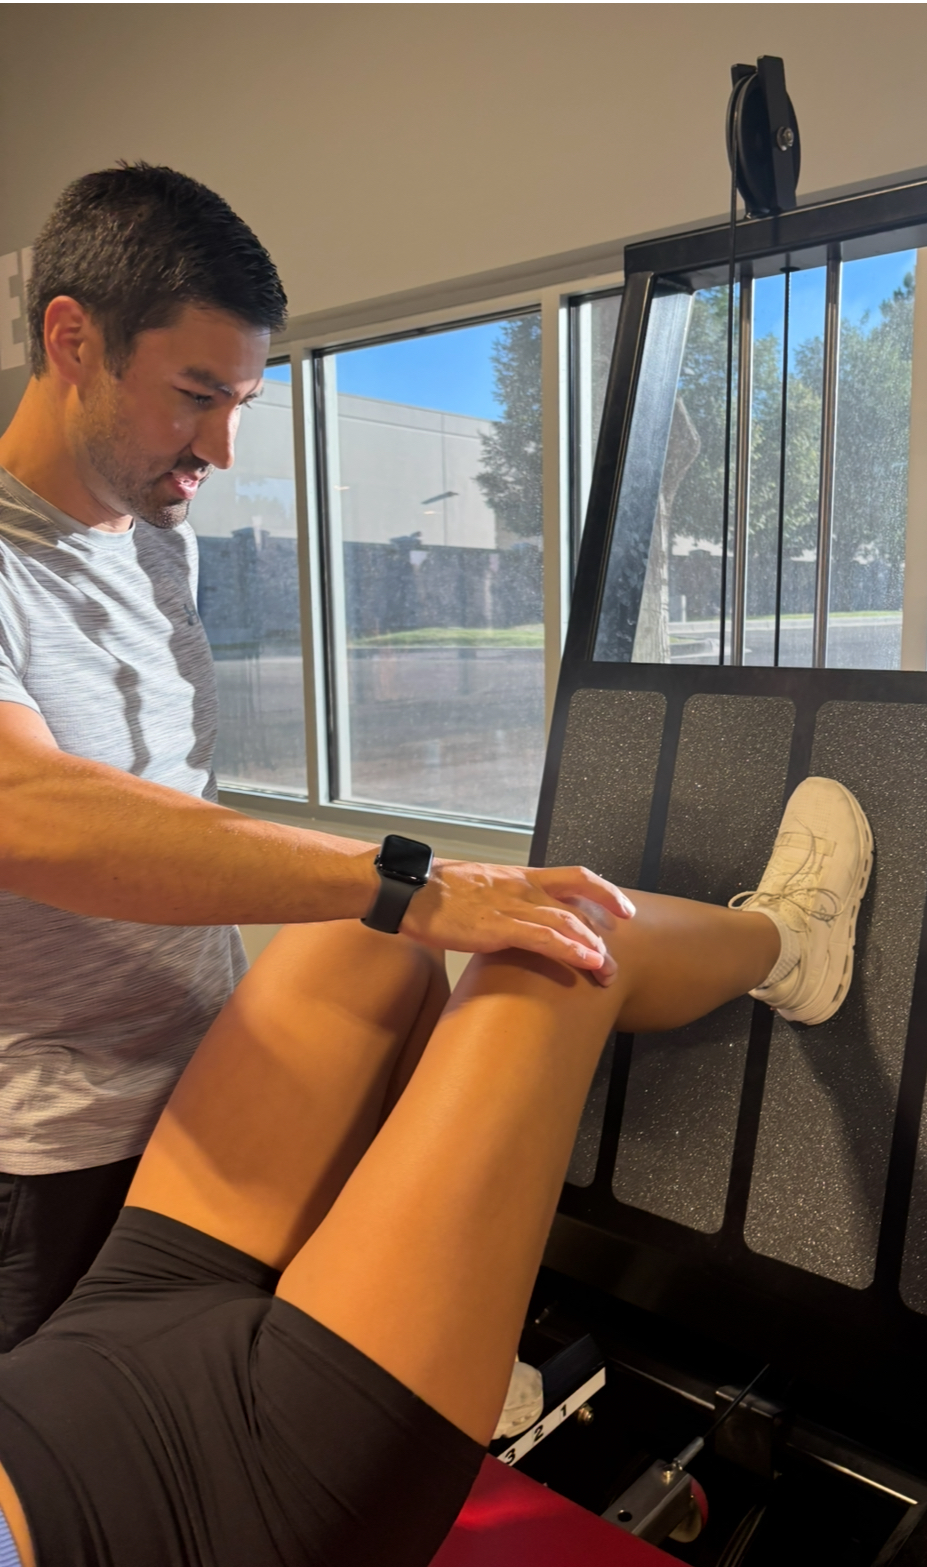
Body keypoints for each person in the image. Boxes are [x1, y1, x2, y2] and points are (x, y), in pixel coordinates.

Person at [0, 161, 619, 1348]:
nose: (223, 449)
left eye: (241, 400)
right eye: (194, 394)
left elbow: (170, 804)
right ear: (71, 339)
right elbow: (32, 812)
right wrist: (405, 885)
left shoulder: (150, 545)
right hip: (53, 1157)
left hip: (207, 1091)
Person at [0, 776, 872, 1567]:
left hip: (70, 1371)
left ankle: (452, 1324)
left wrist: (387, 892)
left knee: (360, 932)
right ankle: (795, 947)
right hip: (207, 1512)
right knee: (563, 950)